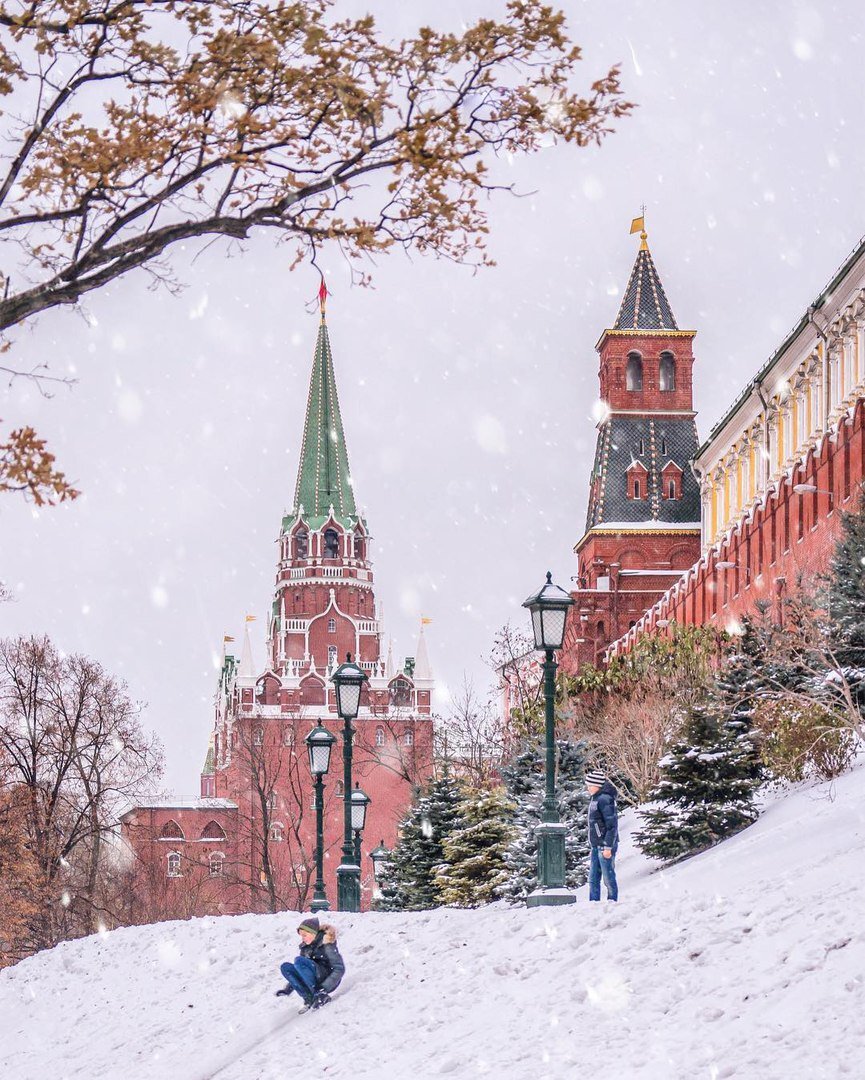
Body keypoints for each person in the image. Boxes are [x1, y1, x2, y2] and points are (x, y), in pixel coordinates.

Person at [276, 916, 345, 1011]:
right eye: (301, 936)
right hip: (314, 979)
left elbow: (339, 968)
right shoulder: (305, 948)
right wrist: (287, 989)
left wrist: (323, 988)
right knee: (286, 967)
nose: (302, 938)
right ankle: (309, 998)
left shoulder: (326, 944)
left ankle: (319, 995)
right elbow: (300, 970)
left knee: (299, 960)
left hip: (327, 981)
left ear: (313, 933)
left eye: (305, 935)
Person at [586, 769, 619, 902]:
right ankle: (593, 903)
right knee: (593, 878)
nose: (588, 788)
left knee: (608, 877)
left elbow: (612, 825)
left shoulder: (605, 799)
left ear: (597, 785)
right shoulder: (595, 799)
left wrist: (608, 847)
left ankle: (612, 901)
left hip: (605, 846)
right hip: (596, 845)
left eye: (590, 785)